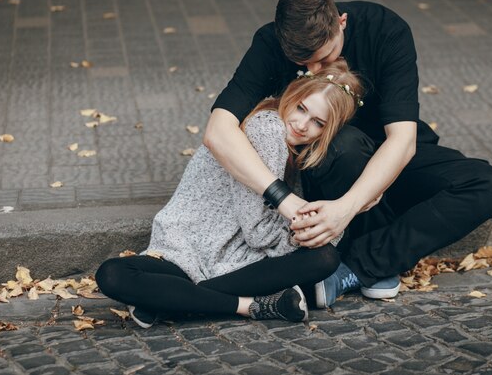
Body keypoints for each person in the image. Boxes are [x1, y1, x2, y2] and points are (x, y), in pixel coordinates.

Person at [203, 0, 492, 308]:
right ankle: (377, 262)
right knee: (344, 146)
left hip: (389, 161)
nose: (314, 72)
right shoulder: (269, 43)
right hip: (329, 167)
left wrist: (345, 209)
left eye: (323, 59)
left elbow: (402, 141)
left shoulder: (385, 29)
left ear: (342, 23)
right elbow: (217, 132)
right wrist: (284, 200)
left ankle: (360, 266)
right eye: (303, 64)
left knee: (487, 185)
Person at [96, 60, 362, 327]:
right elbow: (259, 233)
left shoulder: (295, 149)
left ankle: (173, 301)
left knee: (324, 258)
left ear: (327, 131)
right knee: (113, 274)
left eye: (317, 122)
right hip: (187, 253)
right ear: (292, 95)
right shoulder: (268, 129)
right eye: (301, 108)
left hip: (231, 262)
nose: (302, 124)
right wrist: (299, 235)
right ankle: (248, 306)